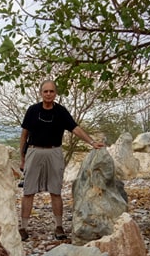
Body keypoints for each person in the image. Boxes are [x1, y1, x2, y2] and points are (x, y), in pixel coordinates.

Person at [18, 80, 105, 241]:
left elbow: (75, 128)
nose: (49, 94)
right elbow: (24, 135)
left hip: (55, 152)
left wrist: (92, 142)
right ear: (41, 93)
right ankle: (23, 227)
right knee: (28, 191)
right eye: (46, 91)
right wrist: (22, 158)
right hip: (34, 151)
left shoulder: (61, 112)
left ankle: (58, 226)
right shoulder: (32, 111)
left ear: (55, 93)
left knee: (55, 191)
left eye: (51, 91)